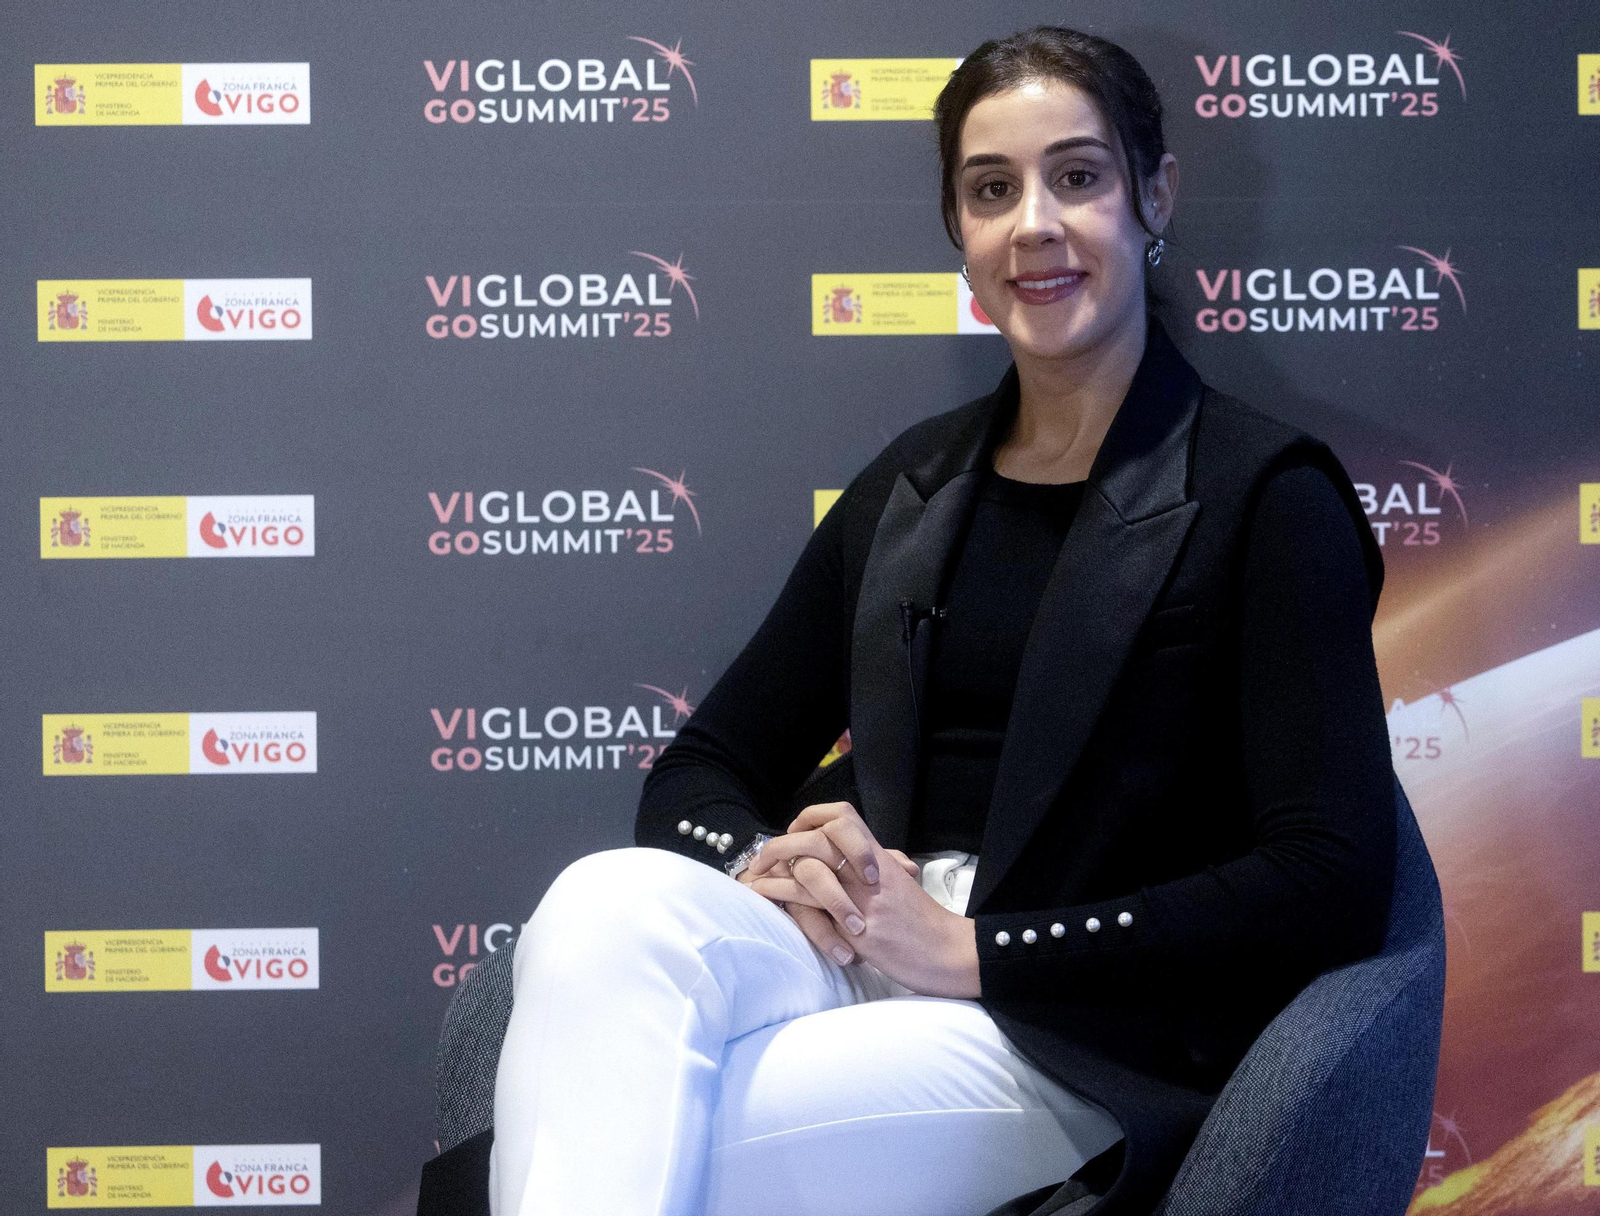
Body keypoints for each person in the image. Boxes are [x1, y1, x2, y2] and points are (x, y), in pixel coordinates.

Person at [488, 24, 1396, 1216]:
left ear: (1152, 196)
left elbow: (1327, 874)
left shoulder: (1265, 497)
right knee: (599, 905)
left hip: (1072, 1032)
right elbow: (703, 768)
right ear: (957, 233)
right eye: (990, 189)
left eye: (1077, 176)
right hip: (864, 953)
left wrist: (980, 953)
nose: (1034, 223)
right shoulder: (912, 485)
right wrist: (769, 860)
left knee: (643, 1118)